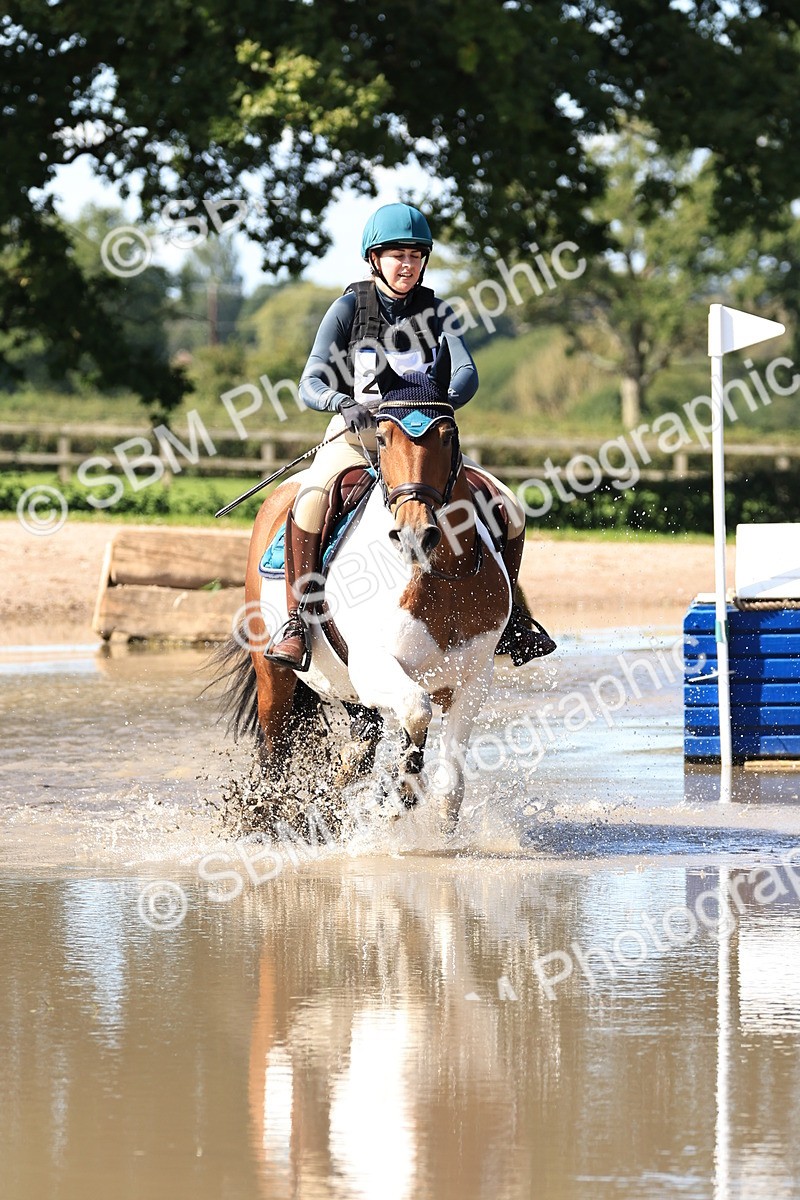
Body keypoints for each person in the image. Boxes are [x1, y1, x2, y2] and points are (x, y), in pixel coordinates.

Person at [264, 202, 556, 669]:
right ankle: (297, 622)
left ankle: (511, 620)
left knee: (509, 509)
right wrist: (341, 402)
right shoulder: (348, 309)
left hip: (424, 443)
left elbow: (466, 371)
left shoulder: (438, 312)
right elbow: (310, 381)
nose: (407, 265)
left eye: (415, 256)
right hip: (358, 438)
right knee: (311, 500)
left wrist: (443, 402)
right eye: (397, 255)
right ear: (374, 259)